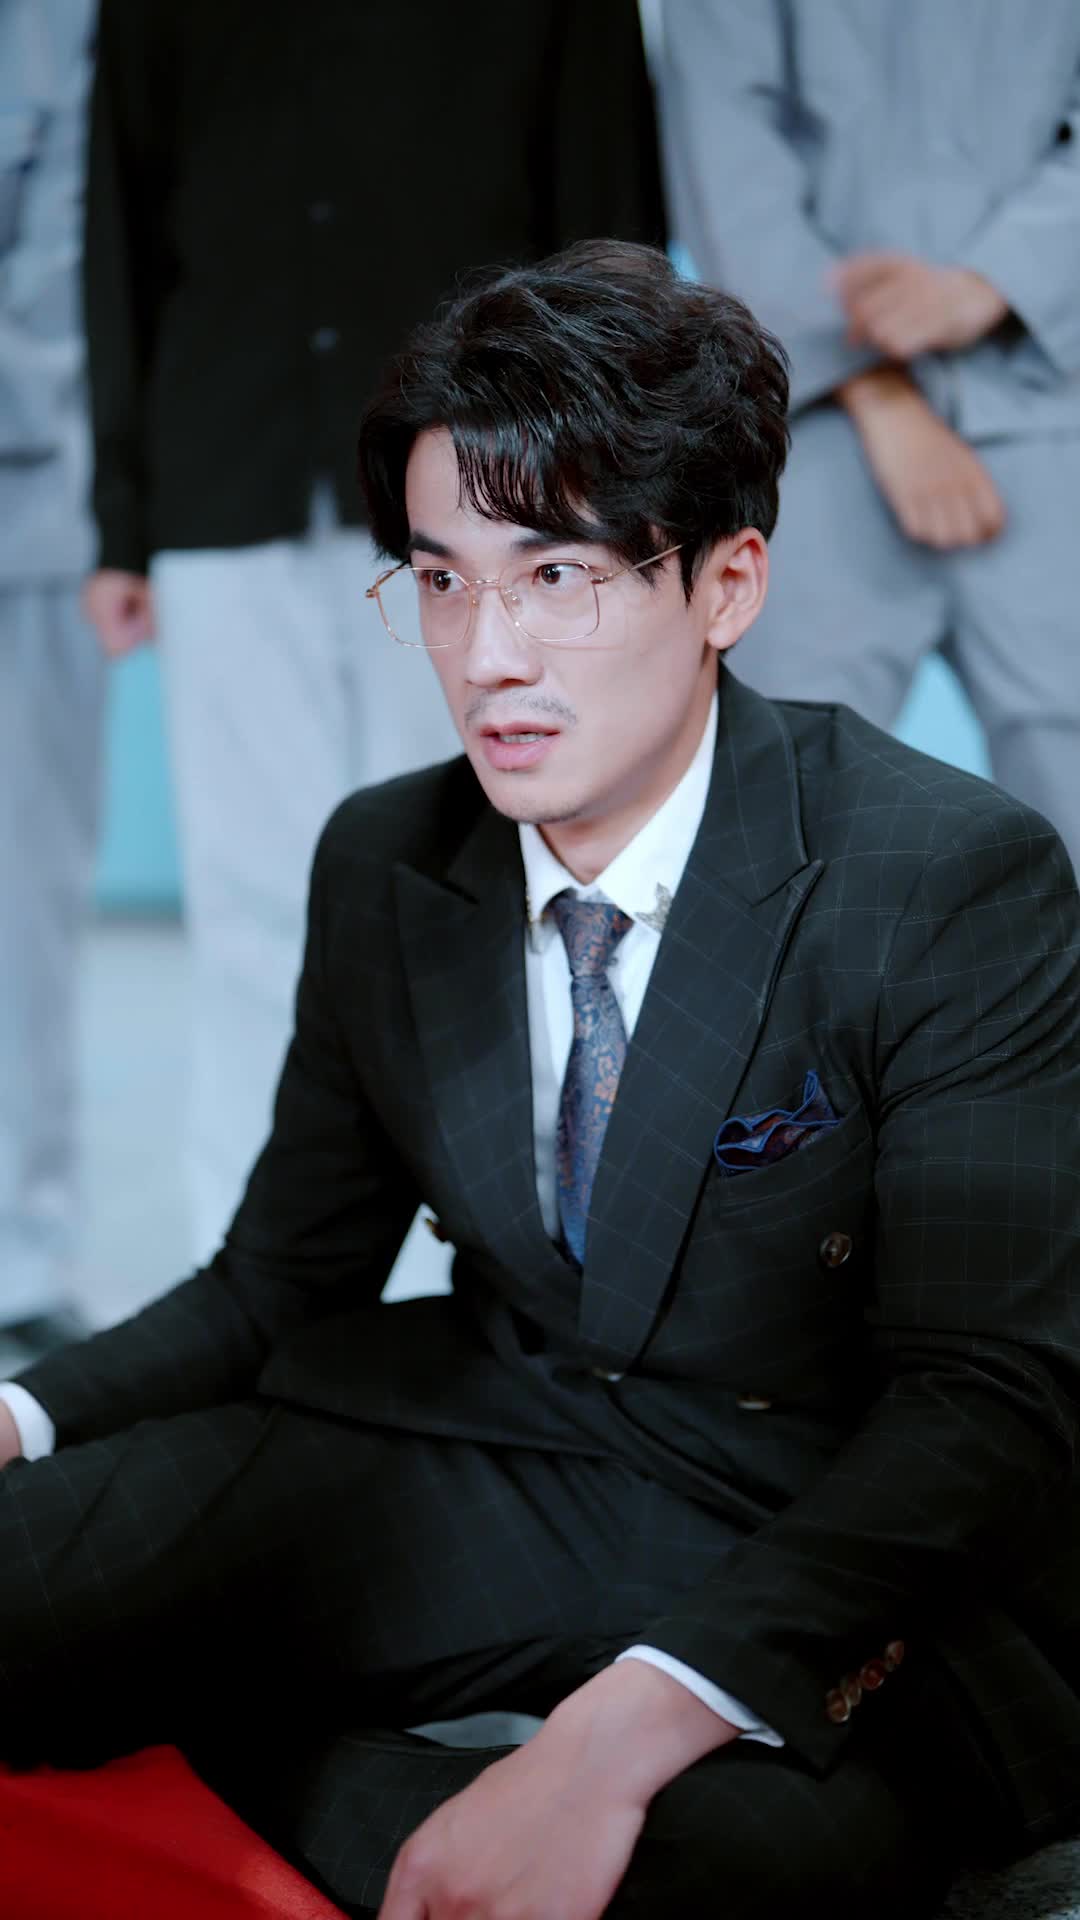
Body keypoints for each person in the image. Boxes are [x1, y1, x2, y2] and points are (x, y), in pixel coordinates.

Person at [1, 242, 1079, 1920]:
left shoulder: (942, 875)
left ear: (727, 585)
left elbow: (982, 1404)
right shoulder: (389, 858)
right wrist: (18, 1413)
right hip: (489, 1439)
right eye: (440, 578)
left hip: (827, 1527)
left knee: (675, 1877)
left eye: (556, 574)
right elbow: (279, 1281)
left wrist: (614, 1738)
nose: (485, 654)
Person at [79, 0, 666, 1269]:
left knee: (490, 889)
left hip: (485, 505)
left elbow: (611, 234)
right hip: (226, 477)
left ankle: (504, 1273)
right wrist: (122, 520)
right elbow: (119, 238)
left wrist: (603, 508)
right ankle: (253, 1285)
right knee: (249, 907)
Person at [658, 0, 1080, 879]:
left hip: (1051, 387)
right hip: (810, 417)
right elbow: (728, 162)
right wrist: (880, 392)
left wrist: (987, 286)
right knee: (780, 817)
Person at [0, 0, 101, 1357]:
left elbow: (71, 267)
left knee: (19, 905)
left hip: (21, 519)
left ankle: (18, 1252)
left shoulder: (65, 22)